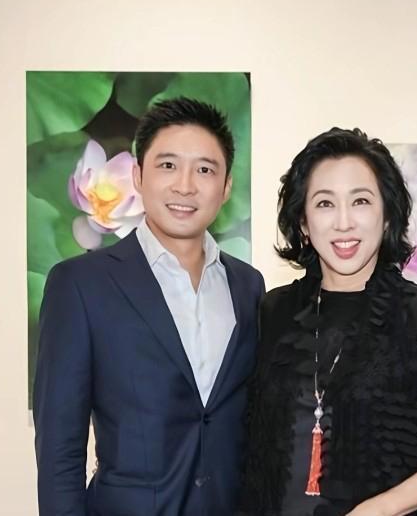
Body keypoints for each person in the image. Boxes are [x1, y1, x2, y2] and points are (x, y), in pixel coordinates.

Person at [33, 97, 265, 515]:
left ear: (226, 186)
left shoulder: (248, 286)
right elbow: (58, 450)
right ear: (138, 176)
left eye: (205, 170)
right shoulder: (80, 285)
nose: (185, 186)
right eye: (168, 165)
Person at [239, 127, 417, 516]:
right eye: (325, 204)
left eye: (360, 201)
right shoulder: (273, 310)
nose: (343, 222)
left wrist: (375, 511)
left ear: (387, 216)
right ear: (303, 223)